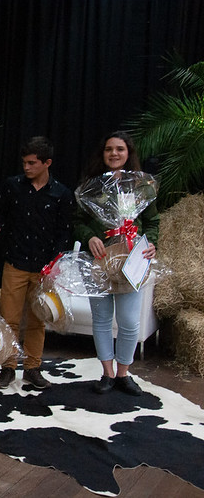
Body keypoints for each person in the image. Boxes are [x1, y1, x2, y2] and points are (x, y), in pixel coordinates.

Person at [73, 131, 158, 396]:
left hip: (131, 262)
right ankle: (107, 374)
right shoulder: (91, 186)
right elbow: (76, 222)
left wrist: (152, 242)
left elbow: (153, 222)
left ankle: (124, 373)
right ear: (103, 153)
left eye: (120, 149)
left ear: (128, 153)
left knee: (129, 321)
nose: (114, 153)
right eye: (109, 149)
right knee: (101, 319)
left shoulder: (142, 186)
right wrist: (90, 237)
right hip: (98, 260)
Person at [0, 137, 74, 390]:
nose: (26, 167)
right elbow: (1, 214)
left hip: (44, 267)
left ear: (47, 163)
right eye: (24, 162)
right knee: (9, 319)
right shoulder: (12, 186)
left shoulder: (61, 193)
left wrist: (55, 263)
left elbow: (64, 232)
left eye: (32, 163)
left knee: (38, 321)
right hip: (15, 262)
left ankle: (33, 368)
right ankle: (8, 368)